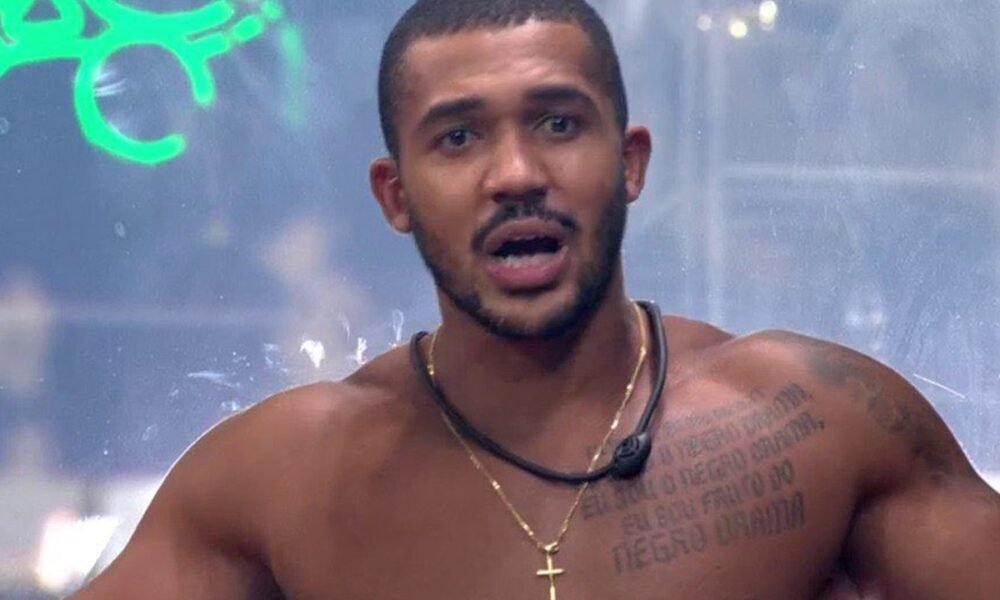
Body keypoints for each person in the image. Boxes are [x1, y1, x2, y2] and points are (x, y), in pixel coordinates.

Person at [70, 0, 1000, 598]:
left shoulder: (814, 422)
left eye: (558, 123)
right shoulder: (280, 481)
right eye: (458, 138)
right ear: (395, 195)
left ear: (629, 163)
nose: (515, 173)